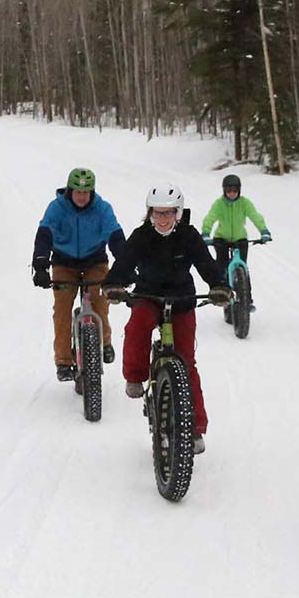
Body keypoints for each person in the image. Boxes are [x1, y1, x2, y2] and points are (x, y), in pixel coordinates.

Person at [106, 185, 232, 455]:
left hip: (181, 299)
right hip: (148, 294)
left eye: (168, 213)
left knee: (186, 362)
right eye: (157, 213)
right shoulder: (141, 236)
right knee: (137, 326)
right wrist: (114, 284)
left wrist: (219, 285)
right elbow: (124, 263)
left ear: (178, 213)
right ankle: (135, 377)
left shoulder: (188, 236)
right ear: (149, 213)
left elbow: (206, 264)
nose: (162, 219)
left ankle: (196, 428)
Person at [32, 167, 127, 382]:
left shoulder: (102, 208)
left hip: (95, 259)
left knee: (101, 300)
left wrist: (125, 265)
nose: (82, 197)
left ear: (92, 192)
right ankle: (64, 362)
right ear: (70, 191)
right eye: (78, 192)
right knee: (62, 308)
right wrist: (40, 265)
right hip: (64, 261)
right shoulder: (57, 208)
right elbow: (44, 235)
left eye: (86, 192)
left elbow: (115, 236)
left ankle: (104, 341)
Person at [200, 174, 271, 314]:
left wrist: (264, 231)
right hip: (221, 239)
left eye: (234, 190)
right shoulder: (219, 204)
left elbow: (255, 216)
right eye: (228, 190)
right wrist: (206, 233)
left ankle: (247, 300)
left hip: (240, 239)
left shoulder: (245, 203)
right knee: (221, 266)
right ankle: (222, 294)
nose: (232, 193)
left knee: (243, 269)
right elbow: (210, 218)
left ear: (239, 190)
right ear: (224, 191)